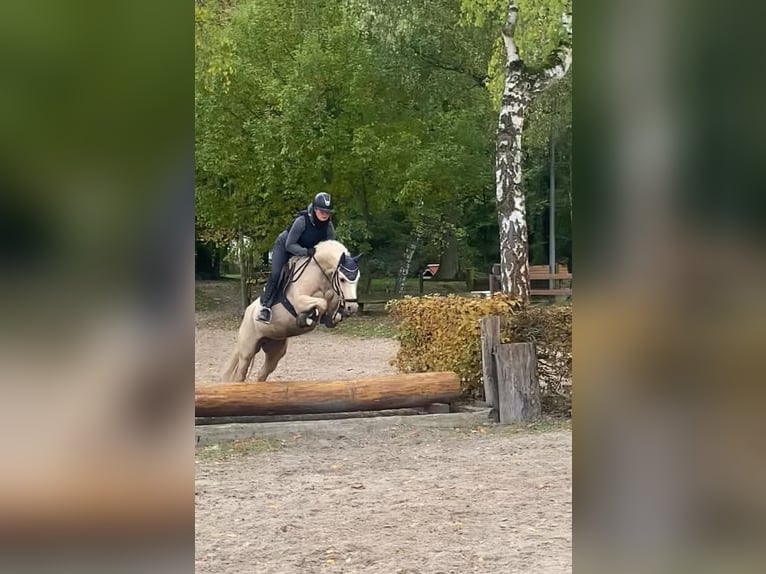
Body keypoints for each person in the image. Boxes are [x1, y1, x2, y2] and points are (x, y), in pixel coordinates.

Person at [256, 192, 335, 323]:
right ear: (315, 209)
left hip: (307, 252)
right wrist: (306, 251)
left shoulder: (329, 227)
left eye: (327, 211)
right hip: (286, 247)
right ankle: (266, 307)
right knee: (276, 273)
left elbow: (330, 247)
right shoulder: (302, 221)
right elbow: (290, 244)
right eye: (322, 211)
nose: (325, 214)